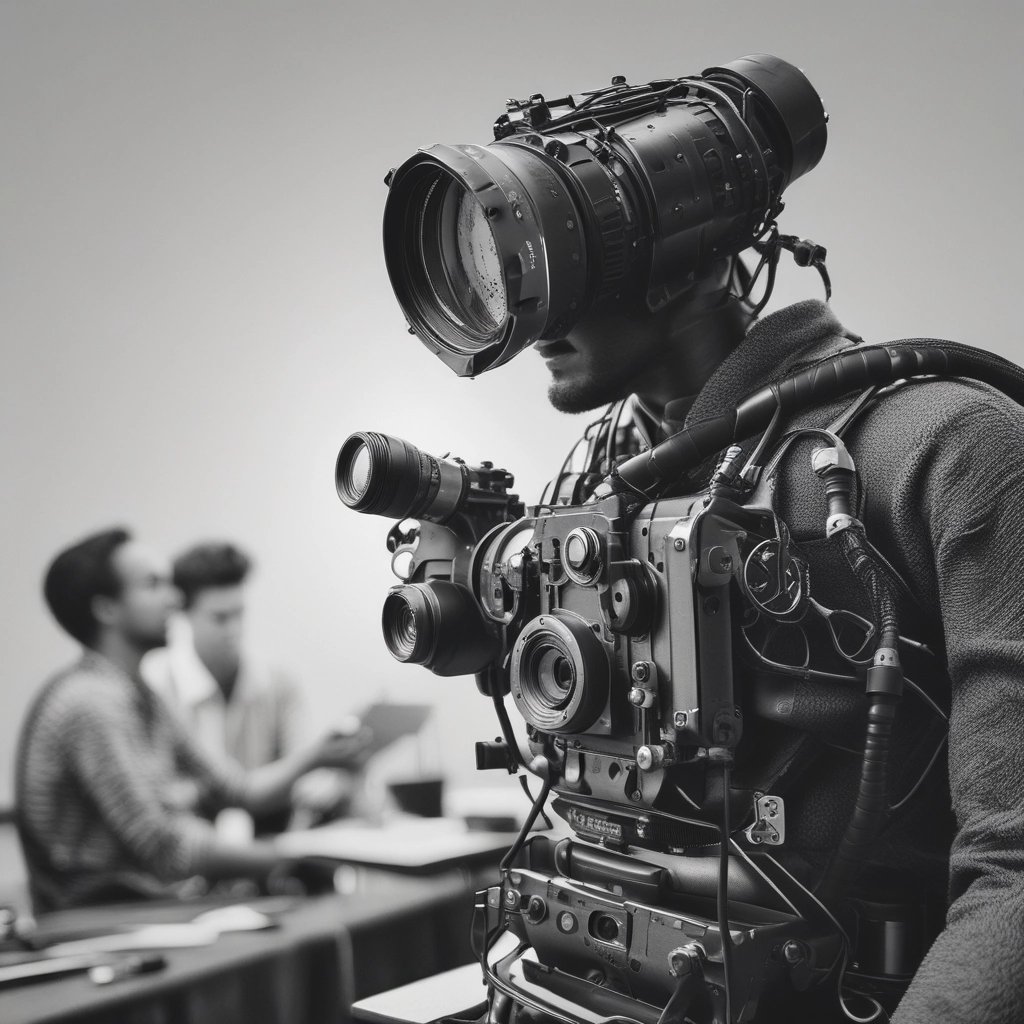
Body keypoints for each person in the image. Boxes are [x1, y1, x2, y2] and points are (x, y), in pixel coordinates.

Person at [532, 253, 1024, 1024]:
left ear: (683, 248)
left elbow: (1015, 871)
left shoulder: (954, 445)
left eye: (559, 254)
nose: (529, 307)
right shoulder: (589, 487)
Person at [15, 527, 369, 912]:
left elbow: (237, 790)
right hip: (96, 921)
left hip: (148, 908)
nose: (175, 598)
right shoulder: (89, 703)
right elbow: (164, 847)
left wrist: (319, 755)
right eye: (154, 585)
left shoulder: (139, 693)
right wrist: (287, 860)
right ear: (107, 609)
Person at [143, 541, 354, 831]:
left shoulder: (279, 684)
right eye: (220, 618)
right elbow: (162, 797)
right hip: (189, 848)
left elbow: (305, 778)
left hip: (273, 838)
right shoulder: (155, 685)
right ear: (183, 612)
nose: (235, 630)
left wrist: (330, 781)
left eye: (239, 613)